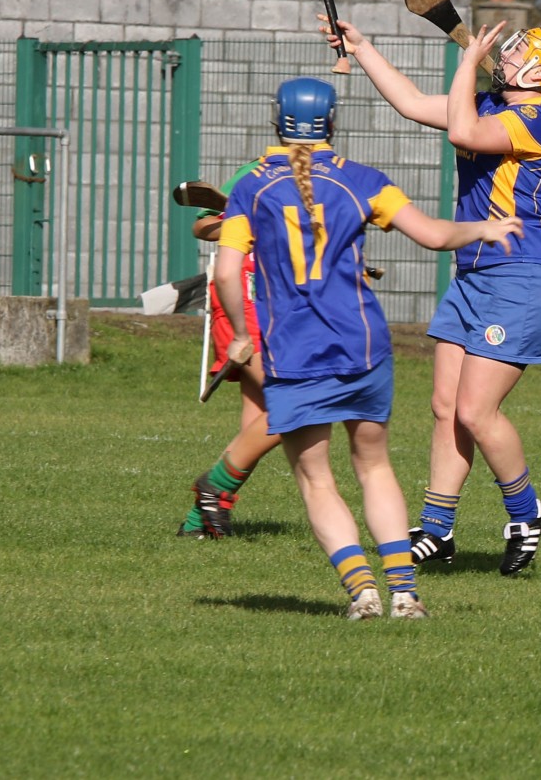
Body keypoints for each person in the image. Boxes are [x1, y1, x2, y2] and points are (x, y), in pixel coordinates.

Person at [216, 76, 522, 619]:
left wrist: (241, 334)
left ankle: (363, 593)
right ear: (332, 123)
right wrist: (482, 229)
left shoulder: (250, 187)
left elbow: (224, 271)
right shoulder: (363, 181)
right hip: (363, 346)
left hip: (293, 353)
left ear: (276, 122)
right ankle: (405, 593)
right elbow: (430, 234)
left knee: (317, 478)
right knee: (375, 468)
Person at [320, 15, 541, 575]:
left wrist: (466, 64)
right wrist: (363, 46)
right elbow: (413, 104)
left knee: (476, 410)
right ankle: (436, 530)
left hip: (521, 276)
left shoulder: (540, 120)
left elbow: (462, 134)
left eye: (517, 53)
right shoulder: (491, 107)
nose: (504, 57)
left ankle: (524, 509)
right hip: (473, 272)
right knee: (445, 409)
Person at [176, 160, 280, 540]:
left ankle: (197, 520)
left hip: (283, 306)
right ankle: (214, 489)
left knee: (257, 424)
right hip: (243, 299)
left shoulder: (322, 176)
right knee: (295, 403)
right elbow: (202, 224)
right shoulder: (256, 172)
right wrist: (243, 221)